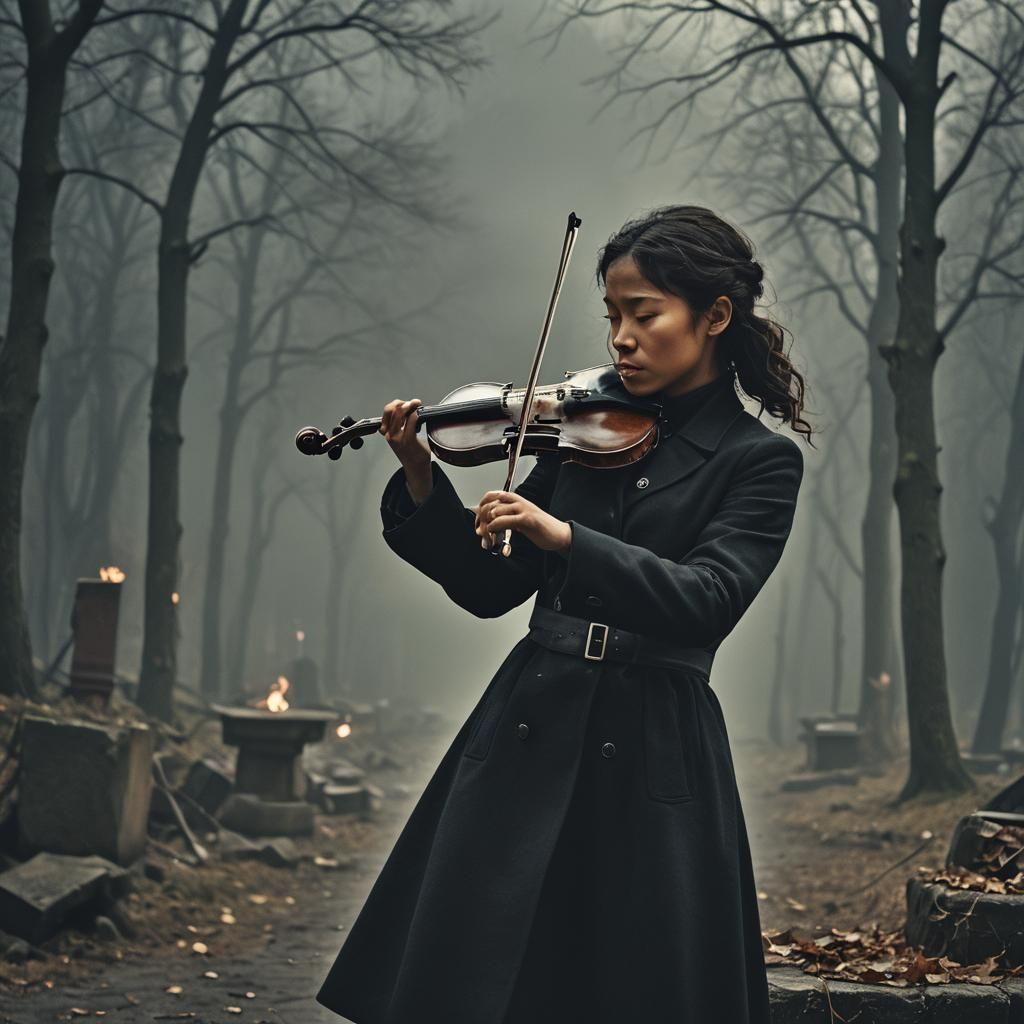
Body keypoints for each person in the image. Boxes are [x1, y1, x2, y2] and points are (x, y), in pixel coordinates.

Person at [315, 204, 811, 1024]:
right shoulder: (579, 432)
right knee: (485, 979)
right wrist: (419, 479)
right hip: (529, 727)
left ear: (715, 316)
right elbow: (488, 588)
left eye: (643, 314)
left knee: (631, 982)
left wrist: (568, 536)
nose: (620, 337)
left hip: (655, 745)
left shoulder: (758, 462)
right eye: (613, 315)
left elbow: (709, 598)